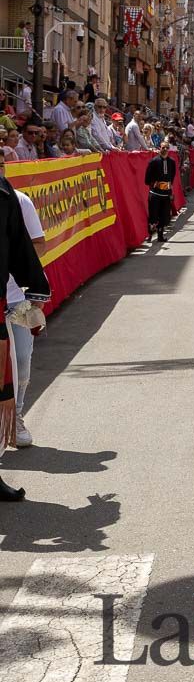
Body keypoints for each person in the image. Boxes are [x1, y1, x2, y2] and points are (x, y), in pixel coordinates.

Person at [0, 158, 50, 500]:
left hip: (6, 304)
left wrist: (34, 288)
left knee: (12, 371)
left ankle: (14, 421)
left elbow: (22, 246)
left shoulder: (8, 196)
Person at [144, 140, 177, 242]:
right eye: (163, 147)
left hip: (166, 193)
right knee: (153, 215)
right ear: (160, 148)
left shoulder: (172, 162)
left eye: (167, 147)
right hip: (155, 193)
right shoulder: (153, 161)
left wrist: (170, 191)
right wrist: (154, 183)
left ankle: (160, 235)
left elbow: (172, 177)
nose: (165, 149)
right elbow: (147, 179)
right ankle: (149, 233)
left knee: (164, 215)